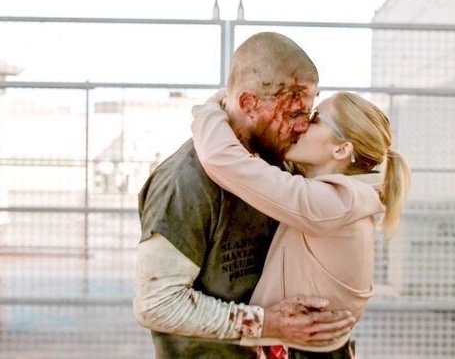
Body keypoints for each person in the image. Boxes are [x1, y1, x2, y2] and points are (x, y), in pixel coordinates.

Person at [133, 32, 356, 359]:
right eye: (292, 114)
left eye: (307, 115)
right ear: (249, 104)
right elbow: (157, 303)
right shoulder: (184, 182)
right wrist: (267, 324)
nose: (302, 127)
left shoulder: (285, 161)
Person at [191, 90, 411, 358]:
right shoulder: (340, 197)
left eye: (315, 119)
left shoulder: (332, 204)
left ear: (341, 149)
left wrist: (214, 105)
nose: (302, 124)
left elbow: (221, 159)